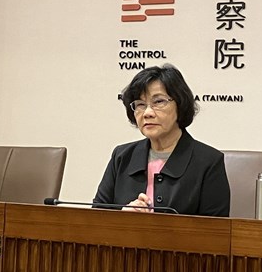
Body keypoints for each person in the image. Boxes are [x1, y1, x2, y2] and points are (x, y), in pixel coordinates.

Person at [93, 64, 230, 216]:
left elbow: (215, 233)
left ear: (180, 104)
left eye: (158, 102)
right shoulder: (122, 156)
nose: (147, 113)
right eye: (140, 104)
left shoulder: (208, 162)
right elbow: (96, 220)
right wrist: (123, 216)